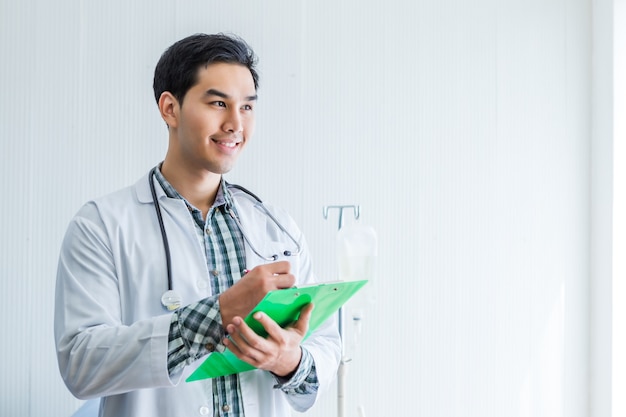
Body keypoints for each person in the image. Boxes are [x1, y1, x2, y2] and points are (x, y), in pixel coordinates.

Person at [54, 33, 341, 417]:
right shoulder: (101, 226)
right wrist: (217, 314)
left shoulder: (277, 227)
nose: (236, 124)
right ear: (170, 108)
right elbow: (81, 364)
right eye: (219, 103)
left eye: (247, 107)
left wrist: (289, 361)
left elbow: (324, 344)